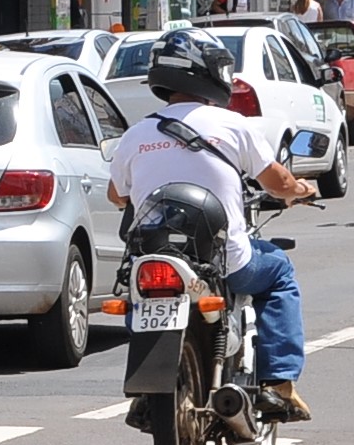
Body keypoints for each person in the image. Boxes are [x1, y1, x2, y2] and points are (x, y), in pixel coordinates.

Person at [106, 28, 317, 422]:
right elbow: (277, 183)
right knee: (279, 273)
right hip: (225, 262)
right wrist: (300, 189)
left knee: (141, 297)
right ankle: (278, 383)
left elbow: (117, 195)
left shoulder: (136, 134)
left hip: (157, 259)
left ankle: (147, 393)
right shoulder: (232, 125)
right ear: (209, 73)